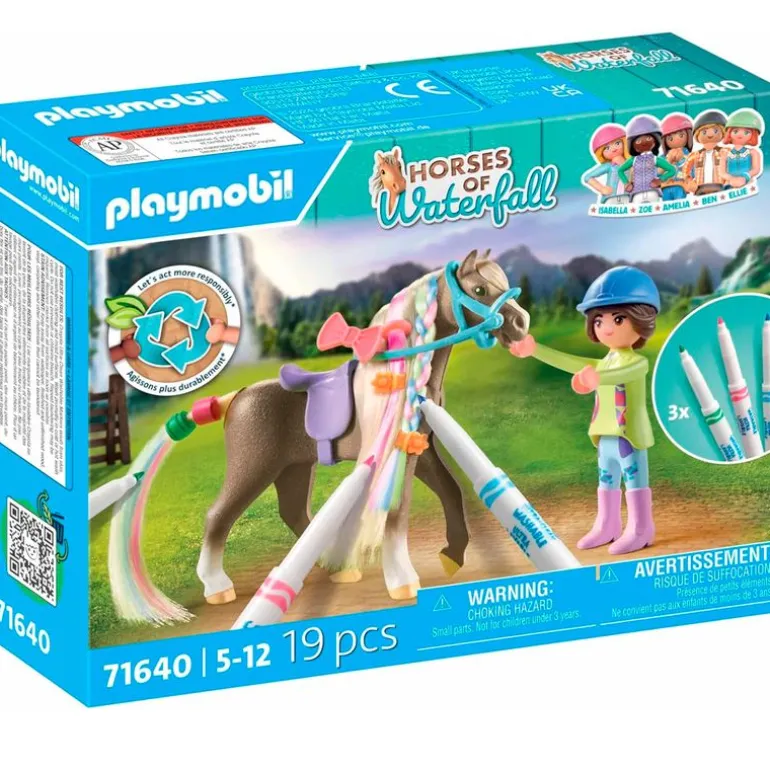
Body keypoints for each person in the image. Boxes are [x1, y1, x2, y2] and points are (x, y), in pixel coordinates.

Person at [510, 267, 660, 555]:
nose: (607, 327)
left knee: (635, 482)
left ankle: (641, 528)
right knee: (607, 481)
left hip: (629, 438)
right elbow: (571, 362)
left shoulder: (636, 363)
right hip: (605, 438)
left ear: (642, 318)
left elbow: (617, 375)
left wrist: (594, 378)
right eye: (599, 320)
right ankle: (608, 524)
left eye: (618, 319)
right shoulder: (606, 361)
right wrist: (535, 350)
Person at [618, 115, 676, 203]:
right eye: (638, 141)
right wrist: (626, 183)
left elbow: (672, 170)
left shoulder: (655, 159)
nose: (644, 143)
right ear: (632, 145)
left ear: (655, 141)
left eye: (649, 138)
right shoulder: (633, 160)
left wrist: (660, 180)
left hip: (652, 191)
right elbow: (620, 170)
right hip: (636, 193)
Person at [683, 110, 729, 195]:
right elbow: (686, 169)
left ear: (723, 133)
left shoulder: (725, 151)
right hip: (700, 188)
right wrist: (689, 181)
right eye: (704, 132)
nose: (710, 134)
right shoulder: (695, 155)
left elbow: (734, 164)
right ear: (697, 135)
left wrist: (729, 180)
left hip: (720, 185)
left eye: (715, 131)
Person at [582, 123, 630, 204]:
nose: (613, 149)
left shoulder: (630, 163)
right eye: (607, 148)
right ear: (601, 153)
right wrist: (602, 189)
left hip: (627, 197)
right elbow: (588, 177)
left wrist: (623, 162)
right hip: (611, 197)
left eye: (617, 143)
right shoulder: (609, 166)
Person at [722, 108, 764, 188]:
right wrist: (731, 178)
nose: (740, 135)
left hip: (747, 182)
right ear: (729, 133)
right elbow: (722, 172)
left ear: (753, 135)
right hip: (729, 183)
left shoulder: (753, 152)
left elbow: (756, 169)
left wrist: (745, 177)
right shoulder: (725, 153)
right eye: (735, 131)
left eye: (746, 132)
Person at [660, 113, 693, 201]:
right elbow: (657, 174)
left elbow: (692, 172)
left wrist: (682, 160)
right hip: (665, 187)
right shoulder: (662, 158)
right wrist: (668, 161)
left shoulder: (690, 156)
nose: (676, 140)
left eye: (681, 135)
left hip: (681, 187)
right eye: (670, 138)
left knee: (680, 202)